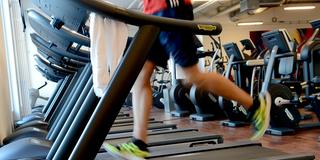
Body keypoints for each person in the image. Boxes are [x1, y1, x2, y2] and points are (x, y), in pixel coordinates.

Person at [105, 0, 271, 159]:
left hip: (170, 9)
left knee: (193, 77)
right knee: (141, 77)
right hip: (154, 13)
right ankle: (138, 144)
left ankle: (255, 106)